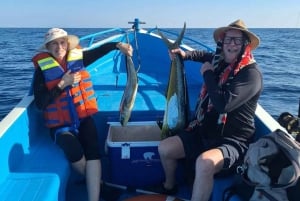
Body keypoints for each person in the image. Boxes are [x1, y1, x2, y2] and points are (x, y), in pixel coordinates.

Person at [157, 19, 263, 201]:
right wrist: (183, 55)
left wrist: (208, 74)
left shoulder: (251, 74)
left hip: (234, 140)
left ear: (245, 44)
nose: (232, 44)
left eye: (238, 40)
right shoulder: (220, 60)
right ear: (222, 42)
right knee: (165, 148)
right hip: (205, 131)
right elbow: (205, 56)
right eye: (229, 39)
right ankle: (169, 187)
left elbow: (224, 105)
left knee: (204, 163)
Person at [32, 28, 132, 201]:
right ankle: (99, 185)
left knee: (93, 150)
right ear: (48, 48)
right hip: (60, 126)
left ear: (68, 44)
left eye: (62, 42)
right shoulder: (42, 72)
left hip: (83, 118)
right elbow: (41, 103)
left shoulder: (79, 59)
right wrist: (62, 84)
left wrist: (118, 45)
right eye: (54, 44)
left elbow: (101, 50)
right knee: (73, 150)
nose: (59, 47)